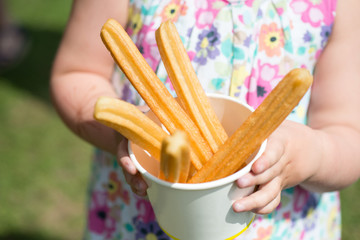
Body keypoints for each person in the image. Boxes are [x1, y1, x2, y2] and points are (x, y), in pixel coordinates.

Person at [50, 0, 360, 239]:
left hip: (282, 227)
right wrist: (127, 131)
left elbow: (347, 134)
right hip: (137, 221)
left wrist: (306, 154)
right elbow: (76, 73)